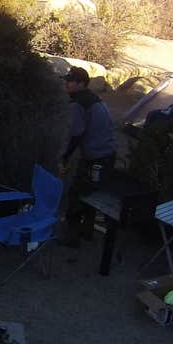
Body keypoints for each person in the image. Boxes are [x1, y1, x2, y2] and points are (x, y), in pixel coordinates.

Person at [59, 66, 118, 241]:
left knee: (77, 194)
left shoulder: (79, 103)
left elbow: (76, 134)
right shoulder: (94, 99)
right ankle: (87, 231)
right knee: (93, 194)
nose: (67, 84)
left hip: (95, 156)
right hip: (108, 154)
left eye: (71, 81)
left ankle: (71, 238)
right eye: (66, 80)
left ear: (81, 84)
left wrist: (64, 158)